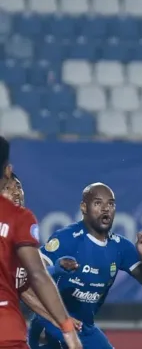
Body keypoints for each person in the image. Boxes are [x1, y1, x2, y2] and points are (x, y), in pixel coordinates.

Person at [27, 182, 142, 348]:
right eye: (98, 203)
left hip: (85, 327)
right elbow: (33, 275)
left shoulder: (121, 247)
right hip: (52, 320)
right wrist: (56, 268)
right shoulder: (66, 238)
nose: (106, 209)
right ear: (84, 207)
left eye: (110, 204)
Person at [0, 136, 82, 349]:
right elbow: (37, 276)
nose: (16, 192)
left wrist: (57, 319)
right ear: (6, 170)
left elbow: (24, 288)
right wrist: (67, 329)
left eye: (19, 187)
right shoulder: (18, 221)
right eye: (10, 187)